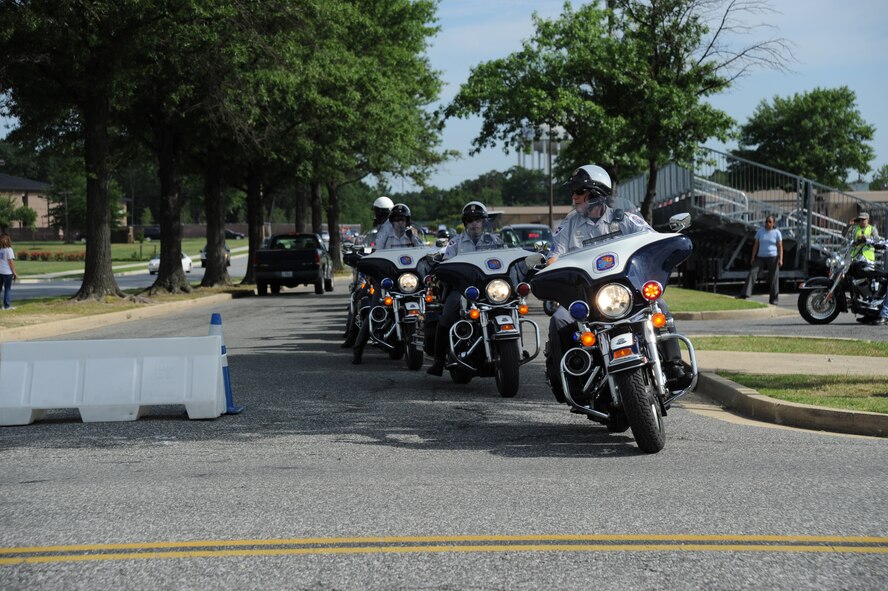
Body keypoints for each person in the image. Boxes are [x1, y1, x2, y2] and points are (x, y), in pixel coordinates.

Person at [544, 164, 686, 392]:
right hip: (587, 297)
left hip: (626, 292)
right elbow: (554, 257)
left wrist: (667, 243)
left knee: (659, 304)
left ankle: (673, 365)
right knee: (559, 319)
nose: (574, 197)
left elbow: (651, 239)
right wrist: (553, 276)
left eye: (578, 192)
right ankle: (572, 379)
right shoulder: (570, 224)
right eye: (573, 192)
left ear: (595, 194)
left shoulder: (625, 218)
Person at [426, 201, 502, 376]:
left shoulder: (495, 241)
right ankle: (438, 361)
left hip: (490, 289)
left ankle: (510, 347)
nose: (474, 223)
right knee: (447, 315)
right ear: (465, 222)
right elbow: (445, 264)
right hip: (462, 289)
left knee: (511, 306)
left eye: (477, 219)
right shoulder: (455, 242)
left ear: (484, 221)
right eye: (470, 220)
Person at [342, 196, 394, 349]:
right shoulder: (380, 230)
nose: (378, 215)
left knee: (363, 299)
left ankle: (354, 341)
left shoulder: (398, 231)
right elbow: (374, 250)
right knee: (361, 298)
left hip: (392, 277)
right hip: (382, 275)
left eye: (379, 212)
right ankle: (355, 341)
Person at [739, 215, 783, 305]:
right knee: (752, 273)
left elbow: (780, 246)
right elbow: (756, 245)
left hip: (773, 257)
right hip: (760, 257)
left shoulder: (777, 233)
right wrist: (753, 257)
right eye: (766, 221)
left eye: (770, 222)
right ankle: (745, 293)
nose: (767, 223)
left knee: (774, 278)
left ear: (773, 223)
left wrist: (781, 259)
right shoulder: (760, 231)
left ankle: (774, 300)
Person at [0, 233, 17, 311]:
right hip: (7, 273)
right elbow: (11, 262)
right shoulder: (9, 250)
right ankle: (7, 306)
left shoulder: (1, 250)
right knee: (7, 289)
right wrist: (14, 272)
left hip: (0, 272)